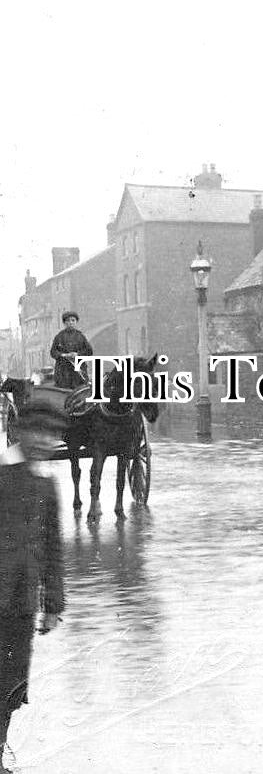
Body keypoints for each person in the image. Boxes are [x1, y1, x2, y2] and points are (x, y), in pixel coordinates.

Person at [1, 402, 65, 772]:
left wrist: (53, 603)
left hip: (22, 601)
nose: (47, 440)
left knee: (12, 685)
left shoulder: (46, 484)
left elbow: (53, 546)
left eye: (54, 434)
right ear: (21, 432)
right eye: (40, 431)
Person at [48, 312, 93, 390]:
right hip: (63, 371)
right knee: (63, 392)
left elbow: (89, 351)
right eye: (68, 321)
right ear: (65, 323)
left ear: (76, 322)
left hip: (78, 371)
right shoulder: (59, 337)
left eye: (73, 320)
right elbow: (53, 352)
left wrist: (77, 354)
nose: (71, 323)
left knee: (80, 391)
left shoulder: (81, 336)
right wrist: (63, 355)